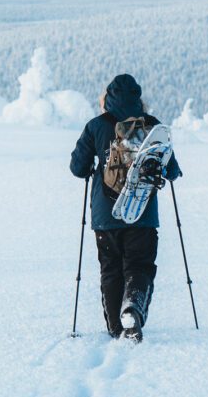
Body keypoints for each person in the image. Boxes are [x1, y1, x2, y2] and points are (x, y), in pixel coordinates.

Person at [70, 73, 181, 343]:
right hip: (142, 213)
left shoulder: (96, 126)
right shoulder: (152, 127)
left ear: (106, 99)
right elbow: (172, 171)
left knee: (110, 268)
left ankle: (115, 328)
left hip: (105, 216)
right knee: (139, 266)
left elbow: (77, 168)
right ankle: (132, 308)